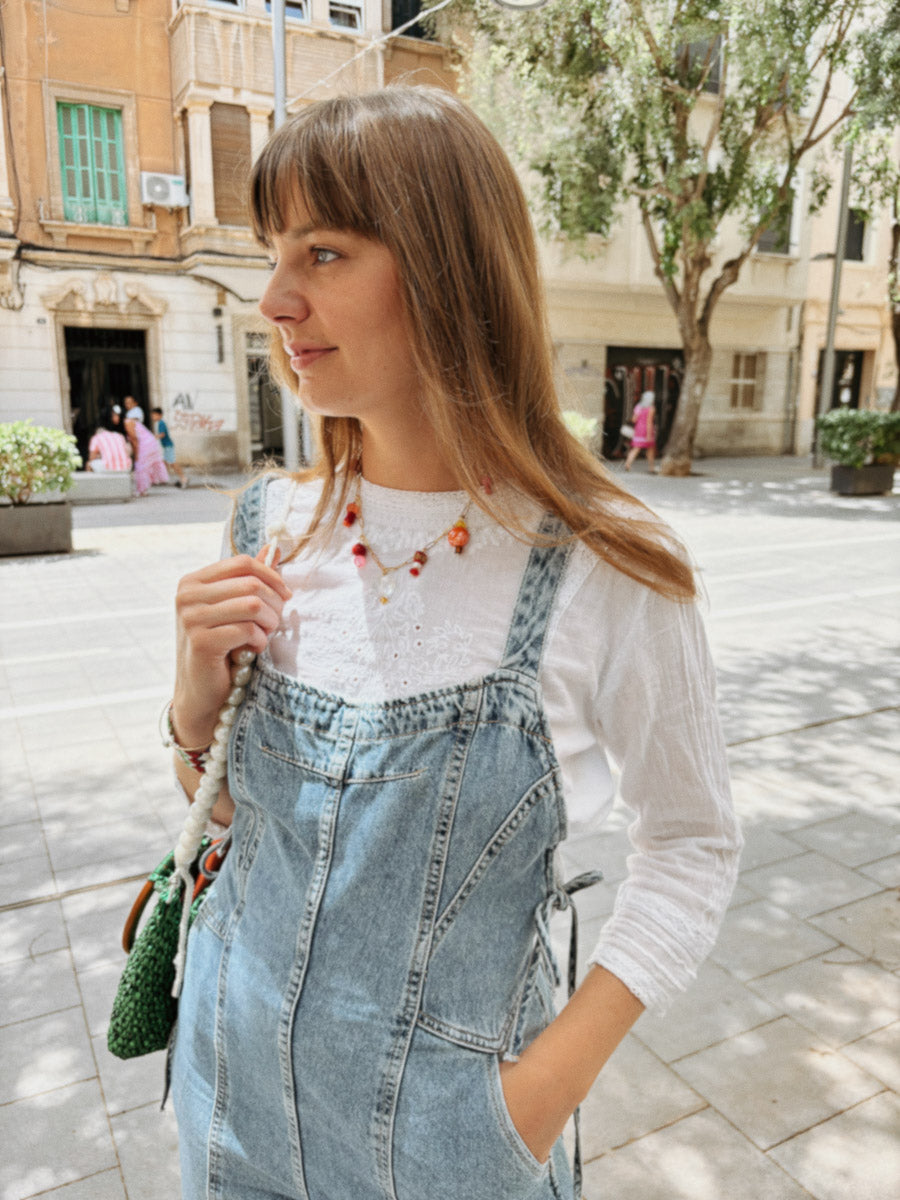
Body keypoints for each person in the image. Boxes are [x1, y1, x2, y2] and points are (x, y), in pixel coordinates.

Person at [166, 87, 740, 1200]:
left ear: (444, 266)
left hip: (450, 1161)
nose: (277, 299)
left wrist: (525, 1107)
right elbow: (232, 826)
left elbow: (693, 845)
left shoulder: (605, 567)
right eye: (272, 255)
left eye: (323, 253)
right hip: (226, 1117)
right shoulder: (267, 529)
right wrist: (193, 705)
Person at [122, 398, 168, 495]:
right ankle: (143, 490)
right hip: (150, 442)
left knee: (140, 466)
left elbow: (134, 440)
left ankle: (141, 490)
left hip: (146, 444)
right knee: (142, 466)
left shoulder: (128, 422)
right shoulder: (133, 421)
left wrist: (136, 454)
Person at [87, 407, 132, 473]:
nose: (117, 417)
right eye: (114, 415)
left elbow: (92, 458)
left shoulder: (97, 438)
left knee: (89, 464)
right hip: (127, 468)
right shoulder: (120, 436)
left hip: (109, 468)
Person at [151, 406, 187, 487]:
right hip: (165, 446)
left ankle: (183, 478)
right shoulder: (159, 423)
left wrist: (153, 437)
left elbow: (162, 434)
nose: (153, 417)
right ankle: (163, 479)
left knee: (172, 463)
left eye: (154, 415)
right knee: (164, 462)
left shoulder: (161, 423)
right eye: (152, 415)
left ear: (160, 415)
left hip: (168, 446)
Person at [624, 390, 657, 472]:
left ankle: (627, 464)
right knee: (650, 449)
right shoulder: (651, 408)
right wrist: (649, 435)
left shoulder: (638, 407)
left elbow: (634, 419)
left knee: (636, 448)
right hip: (646, 430)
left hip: (638, 429)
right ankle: (651, 467)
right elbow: (649, 422)